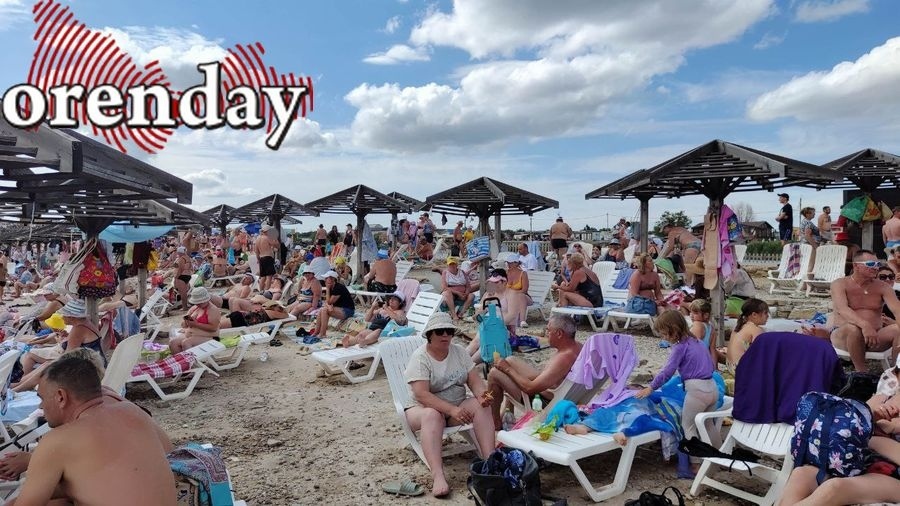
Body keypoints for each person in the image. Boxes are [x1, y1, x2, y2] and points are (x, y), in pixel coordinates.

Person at [12, 352, 176, 505]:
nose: (41, 406)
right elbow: (168, 453)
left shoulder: (59, 439)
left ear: (61, 397)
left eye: (41, 398)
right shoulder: (131, 410)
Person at [403, 312, 495, 498]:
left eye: (449, 331)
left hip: (456, 406)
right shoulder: (420, 357)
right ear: (430, 335)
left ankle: (491, 461)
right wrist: (452, 409)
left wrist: (483, 396)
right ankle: (438, 475)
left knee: (482, 406)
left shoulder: (459, 352)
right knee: (432, 415)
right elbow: (421, 394)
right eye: (440, 331)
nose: (445, 335)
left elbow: (475, 381)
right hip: (421, 410)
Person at [635, 309, 718, 477]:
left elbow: (667, 371)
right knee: (709, 425)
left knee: (688, 426)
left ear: (674, 329)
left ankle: (695, 464)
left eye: (665, 333)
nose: (664, 337)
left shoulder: (680, 347)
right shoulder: (697, 342)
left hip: (697, 391)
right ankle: (719, 459)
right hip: (712, 387)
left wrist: (651, 387)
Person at [486, 314, 582, 428]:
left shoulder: (564, 358)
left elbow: (530, 388)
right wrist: (508, 367)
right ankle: (508, 410)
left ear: (559, 333)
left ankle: (495, 422)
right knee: (510, 360)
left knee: (494, 374)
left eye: (548, 330)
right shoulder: (577, 347)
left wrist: (507, 369)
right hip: (558, 390)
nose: (546, 333)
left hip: (543, 401)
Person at [831, 250, 900, 372]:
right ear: (856, 265)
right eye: (870, 264)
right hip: (844, 336)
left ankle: (896, 372)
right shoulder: (840, 284)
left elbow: (897, 310)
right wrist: (865, 325)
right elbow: (843, 309)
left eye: (877, 264)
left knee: (898, 329)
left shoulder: (883, 287)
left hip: (875, 336)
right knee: (853, 329)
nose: (875, 267)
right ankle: (861, 373)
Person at [342, 292, 407, 348]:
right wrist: (373, 307)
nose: (391, 300)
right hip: (373, 328)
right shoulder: (382, 309)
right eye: (391, 298)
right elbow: (367, 319)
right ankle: (349, 342)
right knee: (363, 333)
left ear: (400, 303)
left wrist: (386, 308)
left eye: (395, 299)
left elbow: (398, 321)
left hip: (385, 332)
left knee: (377, 331)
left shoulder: (400, 312)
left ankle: (364, 342)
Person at [169, 287, 221, 354]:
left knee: (186, 343)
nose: (198, 304)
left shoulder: (213, 310)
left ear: (206, 300)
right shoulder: (194, 308)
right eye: (196, 302)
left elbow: (213, 328)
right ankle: (181, 359)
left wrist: (196, 324)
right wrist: (186, 322)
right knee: (173, 343)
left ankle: (190, 359)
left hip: (209, 337)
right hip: (192, 335)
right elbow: (183, 325)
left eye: (200, 302)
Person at [725, 298, 768, 373]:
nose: (767, 316)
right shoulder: (756, 329)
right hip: (741, 369)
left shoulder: (739, 326)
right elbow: (762, 352)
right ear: (754, 315)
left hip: (730, 366)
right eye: (765, 313)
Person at [310, 270, 355, 337]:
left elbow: (329, 302)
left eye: (326, 278)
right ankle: (316, 332)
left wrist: (327, 289)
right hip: (340, 308)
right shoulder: (333, 287)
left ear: (332, 279)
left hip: (347, 310)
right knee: (321, 310)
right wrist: (328, 306)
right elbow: (327, 303)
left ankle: (322, 333)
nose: (325, 280)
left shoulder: (338, 288)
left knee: (324, 310)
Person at [440, 256, 474, 322]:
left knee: (471, 295)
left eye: (453, 264)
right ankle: (454, 315)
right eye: (450, 264)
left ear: (457, 265)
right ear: (447, 265)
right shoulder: (445, 272)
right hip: (452, 294)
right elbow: (444, 287)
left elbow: (468, 286)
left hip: (462, 293)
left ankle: (461, 313)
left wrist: (466, 293)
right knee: (446, 293)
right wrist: (458, 293)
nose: (452, 266)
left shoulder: (462, 272)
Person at [688, 299, 721, 367]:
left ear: (706, 315)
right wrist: (715, 368)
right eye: (691, 312)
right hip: (705, 362)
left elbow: (693, 347)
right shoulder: (711, 328)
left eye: (695, 313)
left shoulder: (697, 324)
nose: (691, 315)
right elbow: (713, 350)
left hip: (695, 363)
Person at [503, 256, 533, 327]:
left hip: (523, 297)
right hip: (509, 298)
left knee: (521, 295)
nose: (508, 265)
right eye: (507, 263)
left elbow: (524, 290)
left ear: (516, 263)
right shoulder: (506, 273)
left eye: (510, 263)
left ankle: (522, 321)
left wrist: (513, 294)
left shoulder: (523, 274)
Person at [255, 224, 279, 293]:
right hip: (268, 258)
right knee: (269, 277)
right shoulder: (267, 237)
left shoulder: (257, 239)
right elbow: (277, 246)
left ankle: (261, 291)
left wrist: (258, 260)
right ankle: (266, 292)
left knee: (263, 277)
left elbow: (256, 251)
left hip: (261, 258)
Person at [172, 246, 192, 311]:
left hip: (181, 276)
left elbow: (180, 269)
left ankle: (184, 307)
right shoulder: (188, 258)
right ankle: (185, 306)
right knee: (184, 293)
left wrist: (176, 278)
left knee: (182, 293)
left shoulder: (181, 259)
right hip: (187, 275)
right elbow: (190, 267)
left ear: (179, 252)